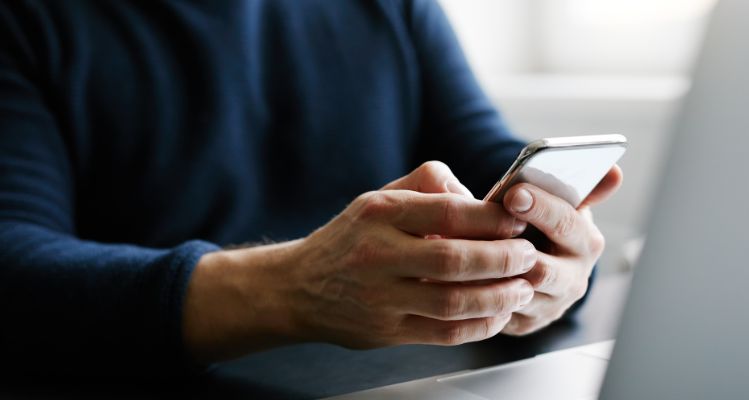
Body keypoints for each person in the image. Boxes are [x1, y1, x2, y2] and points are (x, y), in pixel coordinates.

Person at [0, 0, 622, 376]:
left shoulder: (390, 8)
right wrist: (292, 291)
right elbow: (15, 268)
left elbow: (493, 165)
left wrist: (552, 257)